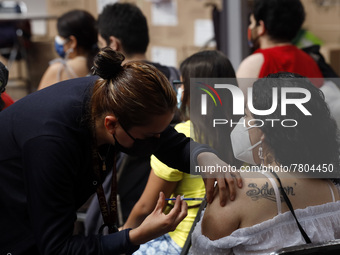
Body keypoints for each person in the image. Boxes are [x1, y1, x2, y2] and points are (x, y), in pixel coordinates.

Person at [0, 47, 239, 255]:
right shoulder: (52, 142)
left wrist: (205, 157)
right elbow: (57, 248)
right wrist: (135, 236)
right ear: (111, 124)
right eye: (150, 136)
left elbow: (171, 143)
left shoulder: (112, 95)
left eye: (161, 132)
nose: (158, 141)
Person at [190, 72, 340, 254]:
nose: (242, 124)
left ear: (265, 131)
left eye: (246, 116)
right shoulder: (332, 188)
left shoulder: (233, 191)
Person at [122, 50, 242, 255]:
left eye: (182, 84)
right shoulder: (247, 133)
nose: (179, 90)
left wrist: (121, 236)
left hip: (184, 243)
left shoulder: (181, 137)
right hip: (232, 243)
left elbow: (145, 207)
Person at [236, 0, 324, 93]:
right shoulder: (311, 63)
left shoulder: (254, 64)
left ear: (261, 27)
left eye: (252, 22)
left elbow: (235, 105)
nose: (250, 27)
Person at [37, 9, 98, 90]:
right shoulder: (103, 65)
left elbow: (37, 101)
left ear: (72, 42)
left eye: (60, 36)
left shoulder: (59, 70)